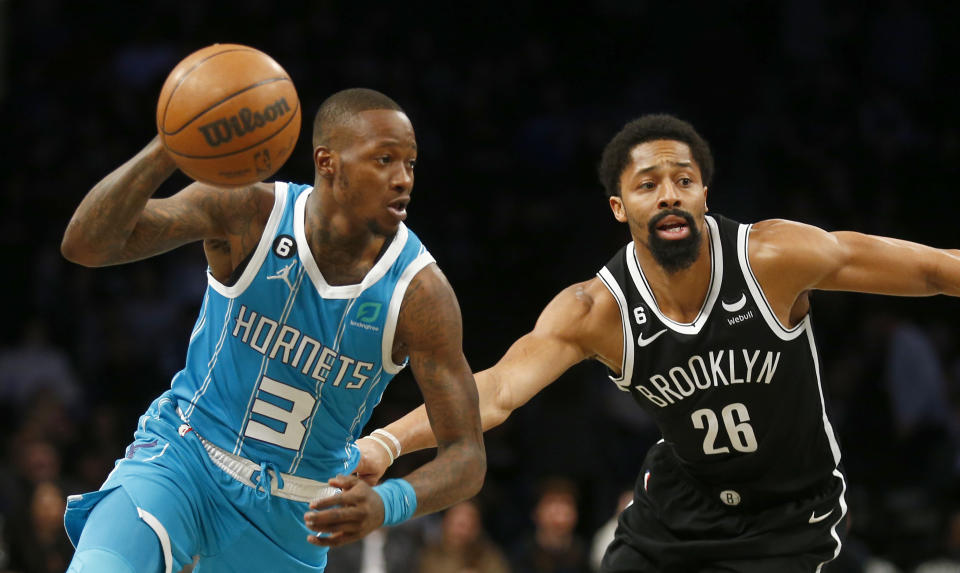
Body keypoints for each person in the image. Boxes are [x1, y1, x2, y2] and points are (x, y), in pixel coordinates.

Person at [352, 113, 960, 572]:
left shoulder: (773, 258)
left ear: (703, 197)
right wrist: (383, 443)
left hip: (789, 511)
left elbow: (932, 270)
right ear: (620, 207)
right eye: (648, 184)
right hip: (679, 508)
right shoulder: (597, 309)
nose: (669, 193)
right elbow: (496, 390)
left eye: (684, 180)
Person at [59, 86, 486, 572]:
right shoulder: (248, 213)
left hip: (293, 514)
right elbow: (86, 246)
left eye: (410, 164)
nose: (402, 179)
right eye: (384, 159)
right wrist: (168, 147)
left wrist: (390, 501)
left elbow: (467, 456)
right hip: (184, 457)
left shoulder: (420, 294)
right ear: (328, 162)